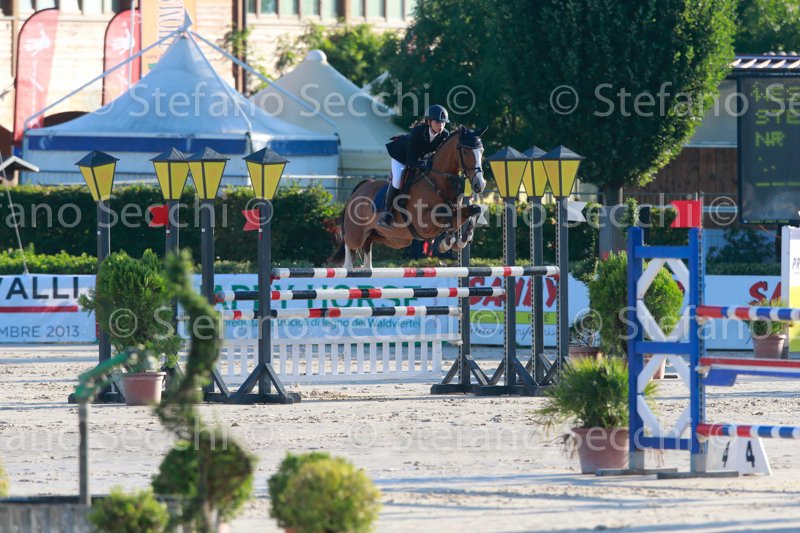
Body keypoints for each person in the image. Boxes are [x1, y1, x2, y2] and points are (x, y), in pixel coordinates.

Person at [380, 104, 451, 227]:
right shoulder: (418, 132)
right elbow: (411, 161)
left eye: (443, 122)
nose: (441, 125)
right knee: (397, 180)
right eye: (438, 122)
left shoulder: (445, 135)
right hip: (401, 156)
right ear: (429, 121)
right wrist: (425, 163)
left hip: (420, 158)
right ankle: (387, 213)